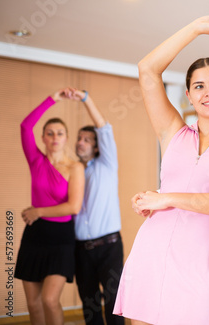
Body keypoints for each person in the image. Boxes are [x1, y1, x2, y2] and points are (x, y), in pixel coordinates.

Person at [113, 14, 209, 325]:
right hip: (152, 250)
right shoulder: (172, 132)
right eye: (199, 86)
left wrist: (165, 199)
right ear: (190, 96)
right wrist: (195, 29)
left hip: (198, 260)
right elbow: (147, 70)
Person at [51, 88, 124, 325]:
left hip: (110, 247)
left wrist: (85, 98)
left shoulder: (107, 163)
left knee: (114, 303)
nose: (80, 143)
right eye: (79, 139)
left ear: (97, 146)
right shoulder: (73, 171)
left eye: (87, 140)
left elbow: (103, 127)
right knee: (89, 303)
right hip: (81, 249)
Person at [15, 89, 85, 325]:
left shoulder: (75, 168)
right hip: (35, 236)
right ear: (43, 138)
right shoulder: (36, 160)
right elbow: (26, 126)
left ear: (66, 138)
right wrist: (52, 99)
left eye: (60, 133)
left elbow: (73, 207)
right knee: (33, 305)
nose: (55, 137)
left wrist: (38, 212)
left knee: (49, 300)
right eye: (50, 133)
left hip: (61, 239)